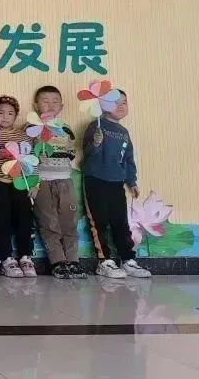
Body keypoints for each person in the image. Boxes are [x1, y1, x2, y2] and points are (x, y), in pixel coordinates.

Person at [83, 90, 151, 279]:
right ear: (103, 105)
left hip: (117, 182)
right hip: (95, 179)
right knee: (99, 222)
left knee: (120, 222)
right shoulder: (96, 126)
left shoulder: (123, 132)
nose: (121, 106)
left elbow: (128, 159)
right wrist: (96, 144)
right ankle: (104, 262)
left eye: (124, 102)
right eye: (116, 102)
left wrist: (131, 181)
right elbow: (87, 153)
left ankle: (128, 259)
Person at [30, 87, 86, 279]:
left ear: (61, 106)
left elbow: (70, 154)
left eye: (55, 101)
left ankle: (73, 261)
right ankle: (58, 262)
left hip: (65, 181)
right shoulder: (32, 129)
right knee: (49, 223)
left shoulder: (66, 129)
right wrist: (34, 183)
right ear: (36, 105)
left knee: (69, 223)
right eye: (45, 101)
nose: (50, 105)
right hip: (42, 183)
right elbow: (27, 158)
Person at [0, 95, 36, 278]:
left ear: (16, 116)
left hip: (20, 183)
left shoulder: (23, 135)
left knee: (24, 219)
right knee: (1, 221)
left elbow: (31, 160)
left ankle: (25, 256)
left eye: (10, 113)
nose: (5, 117)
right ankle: (7, 258)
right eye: (1, 113)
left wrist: (34, 184)